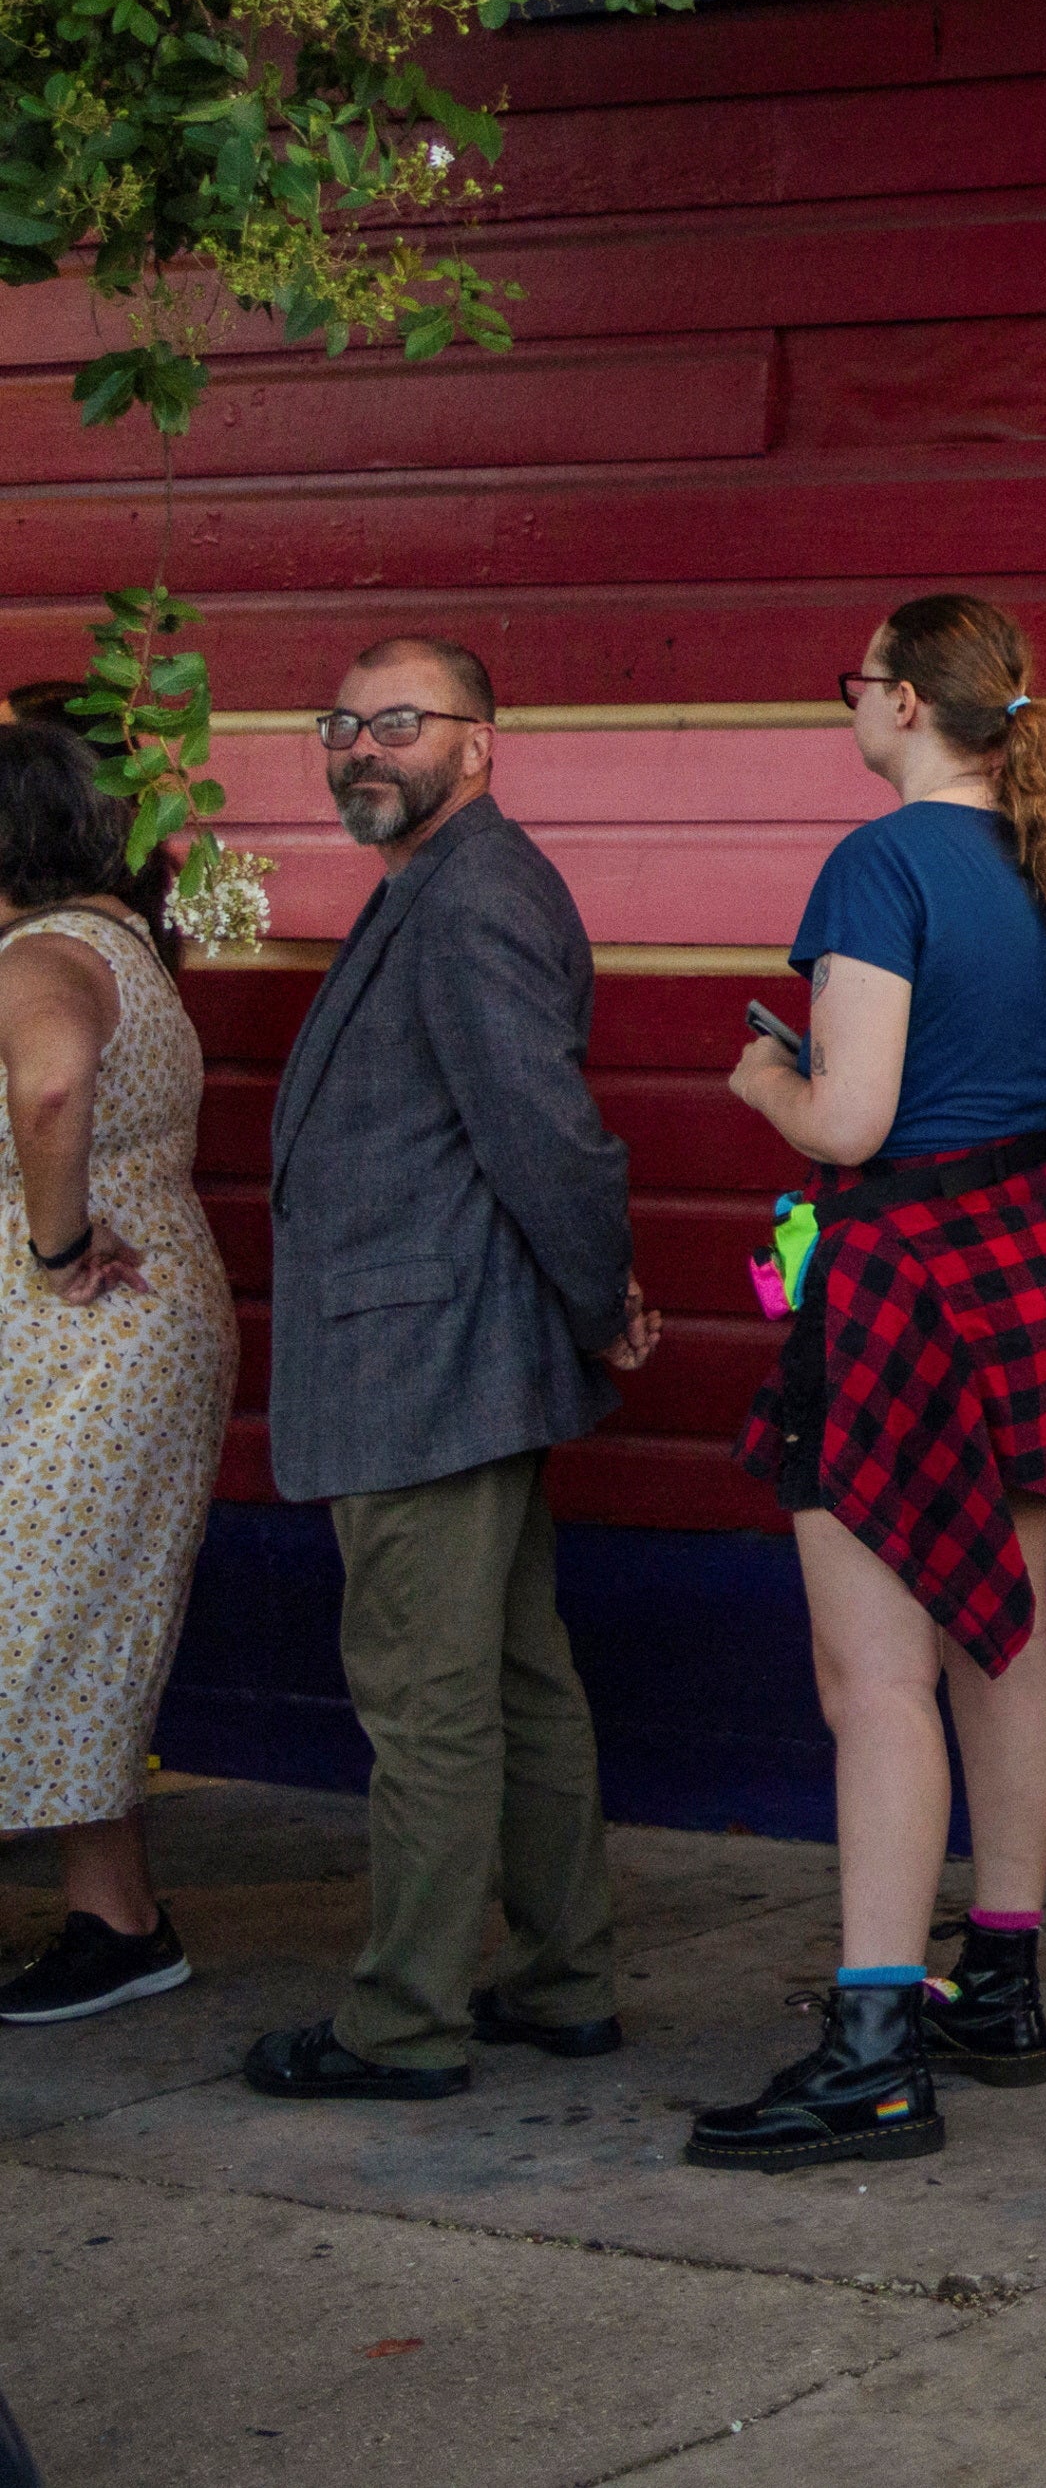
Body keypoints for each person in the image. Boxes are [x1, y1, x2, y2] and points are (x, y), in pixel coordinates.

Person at [700, 594, 1046, 2172]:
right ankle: (1002, 1984)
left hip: (906, 1276)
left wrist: (767, 1073)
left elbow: (850, 1119)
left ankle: (877, 2044)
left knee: (874, 1680)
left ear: (904, 703)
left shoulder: (877, 865)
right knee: (1004, 1630)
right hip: (1040, 1256)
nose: (854, 706)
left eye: (858, 681)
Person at [204, 644, 651, 2087]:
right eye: (341, 724)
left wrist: (597, 1303)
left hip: (427, 1364)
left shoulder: (470, 901)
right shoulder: (441, 886)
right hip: (456, 1355)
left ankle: (404, 2024)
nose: (361, 749)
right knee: (516, 1683)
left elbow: (546, 1136)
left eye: (399, 723)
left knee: (429, 1705)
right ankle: (563, 1976)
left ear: (481, 744)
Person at [0, 726, 242, 2032]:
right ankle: (117, 1923)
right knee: (74, 1633)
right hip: (133, 1338)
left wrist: (56, 1239)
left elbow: (47, 1089)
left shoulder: (41, 954)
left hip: (81, 1343)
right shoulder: (125, 946)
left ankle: (119, 1925)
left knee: (33, 1628)